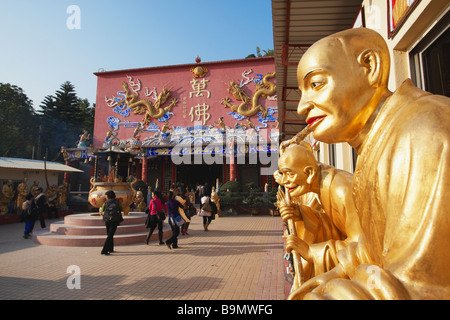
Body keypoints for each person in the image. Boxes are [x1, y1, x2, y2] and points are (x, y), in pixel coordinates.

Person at [290, 27, 450, 300]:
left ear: (369, 66)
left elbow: (419, 285)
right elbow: (376, 248)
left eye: (316, 84)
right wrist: (333, 268)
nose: (302, 106)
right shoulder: (374, 147)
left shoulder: (424, 131)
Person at [274, 141, 362, 291]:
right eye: (283, 174)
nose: (285, 181)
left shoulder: (341, 191)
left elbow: (363, 249)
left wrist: (311, 252)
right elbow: (336, 225)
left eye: (290, 174)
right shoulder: (321, 182)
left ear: (309, 173)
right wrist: (301, 214)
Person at [100, 190, 124, 255]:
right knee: (110, 235)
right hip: (115, 219)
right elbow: (121, 209)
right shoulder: (117, 201)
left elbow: (102, 210)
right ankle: (105, 250)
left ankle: (110, 248)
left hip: (107, 220)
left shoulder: (105, 202)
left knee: (109, 234)